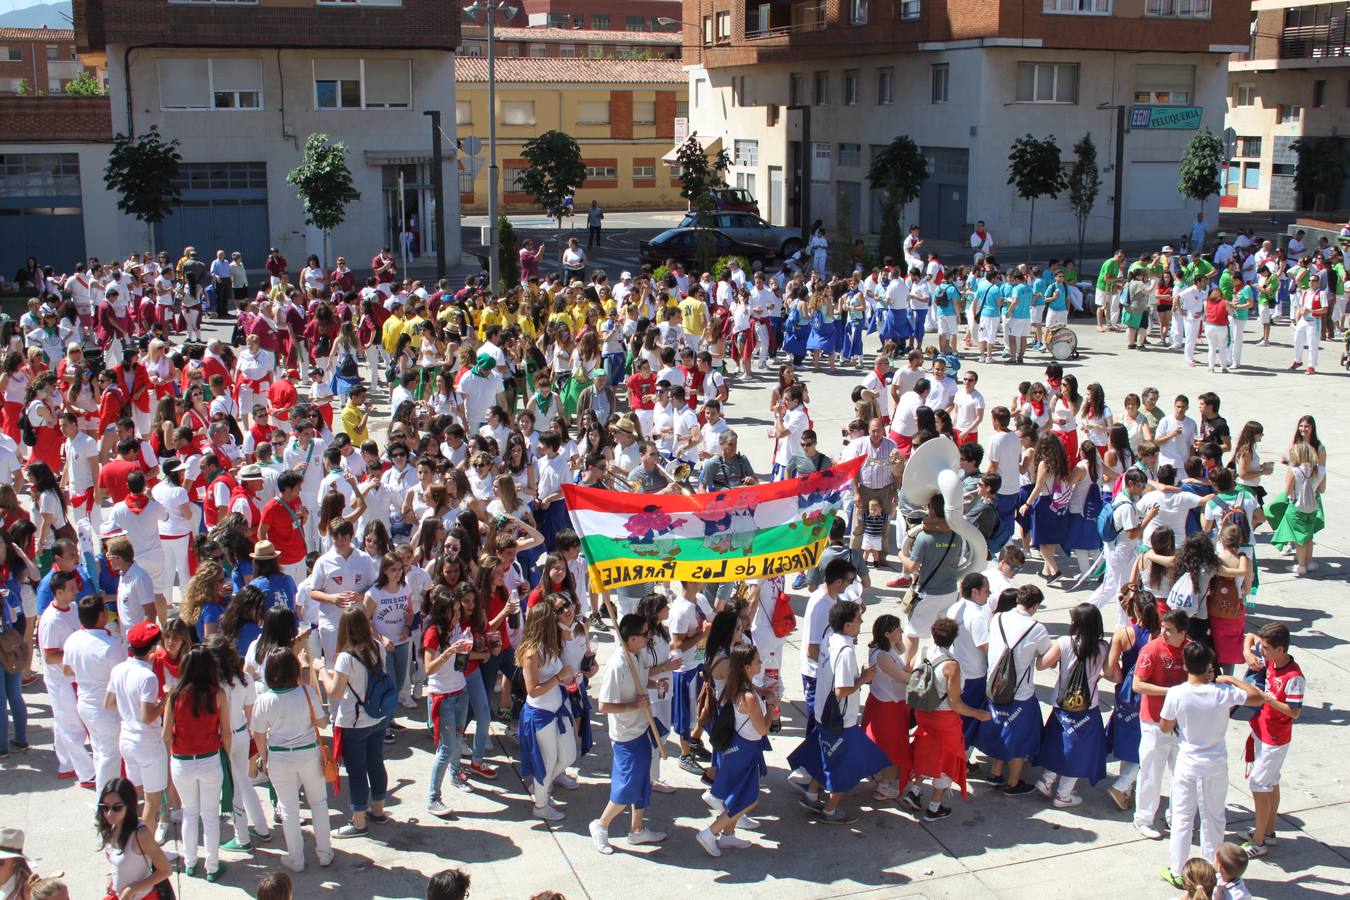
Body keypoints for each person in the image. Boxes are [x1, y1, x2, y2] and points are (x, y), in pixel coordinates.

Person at [1159, 642, 1266, 889]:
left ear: (1186, 665)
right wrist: (1230, 679)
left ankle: (1177, 870)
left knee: (1182, 818)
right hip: (1216, 765)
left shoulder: (1176, 693)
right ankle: (1216, 873)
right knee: (1214, 819)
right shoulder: (1222, 692)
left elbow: (1165, 727)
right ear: (1208, 666)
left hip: (1188, 764)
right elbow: (1257, 697)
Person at [787, 600, 891, 824]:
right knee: (845, 768)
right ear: (847, 626)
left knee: (824, 756)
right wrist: (864, 678)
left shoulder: (829, 639)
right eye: (857, 619)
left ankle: (813, 793)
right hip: (841, 719)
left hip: (822, 712)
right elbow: (842, 690)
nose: (861, 622)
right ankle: (830, 810)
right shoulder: (845, 651)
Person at [252, 648, 334, 873]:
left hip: (279, 757)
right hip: (308, 754)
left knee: (288, 809)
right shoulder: (307, 692)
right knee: (318, 803)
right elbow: (323, 723)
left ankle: (296, 859)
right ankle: (325, 852)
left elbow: (259, 734)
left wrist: (264, 758)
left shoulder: (264, 700)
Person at [589, 614, 666, 854]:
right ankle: (601, 825)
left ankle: (637, 830)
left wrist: (655, 685)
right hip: (625, 736)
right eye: (644, 634)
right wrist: (634, 705)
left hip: (642, 729)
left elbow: (640, 683)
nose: (648, 637)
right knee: (626, 788)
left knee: (643, 782)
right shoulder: (617, 664)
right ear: (632, 638)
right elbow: (603, 705)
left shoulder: (637, 656)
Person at [314, 607, 392, 836]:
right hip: (377, 718)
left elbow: (334, 692)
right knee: (376, 763)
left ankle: (359, 822)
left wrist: (321, 672)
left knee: (357, 771)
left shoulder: (346, 658)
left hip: (353, 723)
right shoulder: (377, 648)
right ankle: (378, 811)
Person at [905, 616, 992, 819]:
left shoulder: (924, 652)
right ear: (954, 638)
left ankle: (915, 791)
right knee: (945, 762)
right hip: (944, 721)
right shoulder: (951, 666)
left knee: (926, 753)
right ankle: (935, 807)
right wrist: (978, 714)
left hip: (923, 715)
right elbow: (956, 704)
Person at [1034, 603, 1118, 807]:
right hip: (1088, 707)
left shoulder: (1064, 642)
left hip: (1061, 704)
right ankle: (1064, 794)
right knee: (1080, 749)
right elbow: (1112, 674)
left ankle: (1047, 779)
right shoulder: (1103, 647)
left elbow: (1041, 664)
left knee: (1058, 743)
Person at [974, 585, 1053, 794]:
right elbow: (1046, 659)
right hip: (1020, 693)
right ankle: (1014, 782)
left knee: (1001, 730)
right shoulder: (1036, 628)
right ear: (1035, 605)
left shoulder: (998, 618)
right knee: (1020, 738)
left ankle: (996, 772)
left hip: (994, 686)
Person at [162, 644, 230, 881]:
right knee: (210, 815)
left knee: (189, 813)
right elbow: (226, 732)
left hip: (181, 761)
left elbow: (165, 735)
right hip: (209, 759)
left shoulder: (174, 694)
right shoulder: (218, 694)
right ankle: (212, 866)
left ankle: (190, 863)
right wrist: (227, 756)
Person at [697, 643, 771, 857]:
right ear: (747, 667)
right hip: (745, 752)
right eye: (757, 661)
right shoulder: (748, 696)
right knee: (748, 798)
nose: (761, 663)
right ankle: (710, 833)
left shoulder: (736, 687)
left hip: (737, 748)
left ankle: (728, 835)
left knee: (737, 795)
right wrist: (772, 711)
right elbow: (763, 729)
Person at [1242, 622, 1303, 859]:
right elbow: (1249, 636)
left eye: (1266, 648)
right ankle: (1268, 832)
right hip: (1262, 730)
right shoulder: (1271, 660)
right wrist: (1248, 653)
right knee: (1271, 782)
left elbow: (1294, 711)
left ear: (1280, 649)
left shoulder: (1294, 677)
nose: (1262, 651)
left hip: (1275, 739)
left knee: (1259, 785)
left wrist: (1266, 699)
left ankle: (1259, 842)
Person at [105, 621, 169, 844]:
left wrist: (128, 705)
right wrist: (165, 701)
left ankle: (126, 839)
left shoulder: (118, 669)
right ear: (151, 650)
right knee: (152, 800)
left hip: (127, 739)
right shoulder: (148, 677)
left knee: (135, 797)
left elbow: (109, 702)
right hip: (148, 743)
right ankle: (144, 849)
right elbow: (148, 716)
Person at [516, 601, 577, 822]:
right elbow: (532, 691)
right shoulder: (532, 653)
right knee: (547, 761)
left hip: (557, 709)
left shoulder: (550, 645)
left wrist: (569, 678)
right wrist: (558, 678)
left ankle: (542, 786)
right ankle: (540, 805)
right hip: (541, 716)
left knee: (569, 754)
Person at [420, 590, 475, 820]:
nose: (457, 617)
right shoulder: (433, 633)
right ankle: (433, 798)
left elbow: (458, 662)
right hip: (442, 697)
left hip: (460, 691)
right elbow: (428, 668)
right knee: (446, 749)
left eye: (459, 613)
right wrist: (450, 651)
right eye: (454, 614)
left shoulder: (456, 628)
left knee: (459, 738)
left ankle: (455, 773)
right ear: (443, 613)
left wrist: (466, 644)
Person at [896, 495, 964, 666]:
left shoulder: (924, 537)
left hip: (927, 593)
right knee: (941, 634)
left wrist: (901, 556)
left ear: (932, 510)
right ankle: (938, 665)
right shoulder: (957, 536)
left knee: (912, 633)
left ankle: (907, 670)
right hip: (950, 592)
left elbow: (913, 566)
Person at [95, 778, 173, 900]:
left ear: (129, 805)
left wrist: (132, 889)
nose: (110, 813)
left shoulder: (141, 834)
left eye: (117, 808)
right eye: (105, 807)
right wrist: (111, 875)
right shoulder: (110, 828)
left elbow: (166, 870)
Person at [1268, 440, 1326, 575]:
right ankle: (1309, 562)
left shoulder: (1294, 471)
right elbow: (1321, 490)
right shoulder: (1320, 470)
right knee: (1308, 535)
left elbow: (1288, 491)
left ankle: (1301, 566)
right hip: (1312, 507)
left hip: (1296, 507)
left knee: (1299, 537)